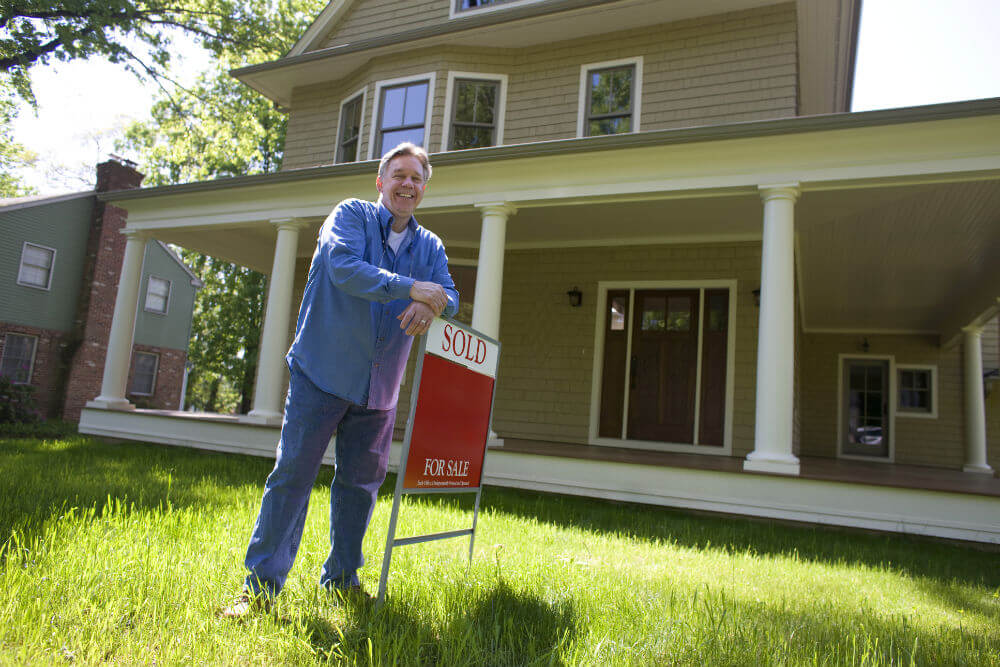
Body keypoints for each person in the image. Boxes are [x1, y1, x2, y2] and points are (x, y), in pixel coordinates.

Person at [221, 142, 458, 617]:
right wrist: (411, 288)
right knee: (292, 478)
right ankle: (260, 590)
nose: (407, 184)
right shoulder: (349, 216)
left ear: (424, 189)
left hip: (380, 388)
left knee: (359, 487)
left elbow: (448, 293)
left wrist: (432, 303)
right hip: (321, 374)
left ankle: (343, 580)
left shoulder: (429, 246)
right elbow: (343, 268)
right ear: (380, 181)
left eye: (416, 178)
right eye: (399, 175)